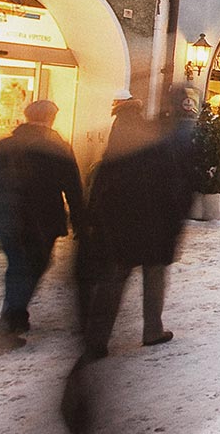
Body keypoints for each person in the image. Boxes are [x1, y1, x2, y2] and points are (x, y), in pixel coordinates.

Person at [75, 92, 194, 361]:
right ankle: (152, 330)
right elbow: (173, 184)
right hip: (155, 226)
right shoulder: (157, 144)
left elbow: (101, 189)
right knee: (153, 278)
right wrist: (174, 220)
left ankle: (97, 340)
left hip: (122, 226)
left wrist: (95, 220)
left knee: (113, 281)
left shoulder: (116, 152)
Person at [0, 99, 85, 350]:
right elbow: (72, 186)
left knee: (18, 267)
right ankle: (6, 327)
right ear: (51, 118)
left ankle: (17, 316)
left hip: (6, 216)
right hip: (41, 220)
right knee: (30, 268)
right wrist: (80, 220)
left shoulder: (8, 144)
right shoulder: (57, 147)